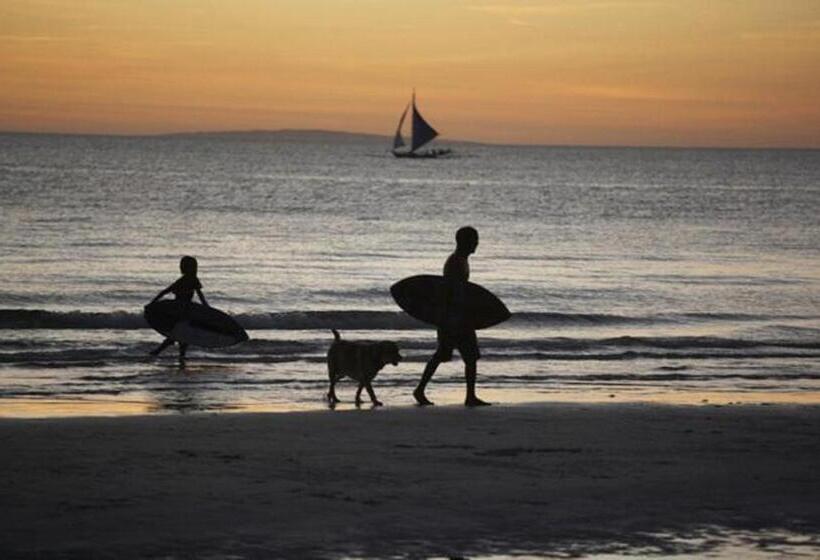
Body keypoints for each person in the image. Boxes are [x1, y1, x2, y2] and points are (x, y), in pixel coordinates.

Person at [414, 226, 490, 407]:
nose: (477, 243)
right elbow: (451, 292)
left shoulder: (460, 260)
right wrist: (453, 319)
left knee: (449, 355)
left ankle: (422, 390)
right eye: (475, 239)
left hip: (455, 317)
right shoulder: (456, 262)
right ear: (466, 241)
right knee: (459, 356)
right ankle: (468, 397)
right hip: (454, 318)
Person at [148, 256, 208, 367]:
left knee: (179, 333)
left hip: (179, 311)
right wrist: (206, 307)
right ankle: (175, 354)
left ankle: (164, 352)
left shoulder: (186, 280)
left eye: (183, 265)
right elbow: (200, 296)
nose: (181, 267)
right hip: (185, 311)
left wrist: (153, 302)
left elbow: (165, 292)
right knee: (180, 333)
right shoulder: (192, 279)